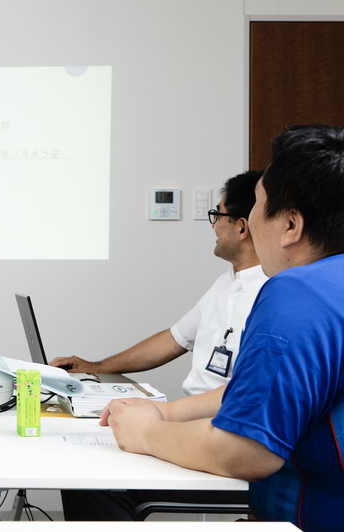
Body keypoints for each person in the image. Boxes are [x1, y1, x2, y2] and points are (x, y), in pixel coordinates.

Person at [104, 124, 344, 531]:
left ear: (291, 226)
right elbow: (261, 392)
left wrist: (146, 432)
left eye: (259, 205)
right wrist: (164, 412)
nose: (251, 219)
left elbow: (247, 450)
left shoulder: (297, 294)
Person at [54, 171, 267, 520]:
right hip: (190, 424)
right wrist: (96, 367)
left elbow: (249, 390)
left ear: (242, 227)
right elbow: (173, 339)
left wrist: (163, 415)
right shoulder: (226, 283)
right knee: (84, 464)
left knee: (92, 479)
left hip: (222, 435)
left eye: (217, 215)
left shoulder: (273, 295)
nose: (213, 225)